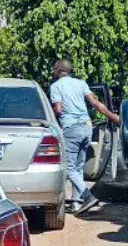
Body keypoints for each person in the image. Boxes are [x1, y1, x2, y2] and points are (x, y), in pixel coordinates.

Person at [49, 59, 120, 214]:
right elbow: (95, 103)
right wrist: (112, 116)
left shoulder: (55, 87)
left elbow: (59, 109)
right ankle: (77, 203)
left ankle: (88, 196)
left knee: (68, 168)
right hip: (87, 127)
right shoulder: (81, 84)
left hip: (71, 127)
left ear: (60, 70)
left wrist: (48, 117)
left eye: (54, 69)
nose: (53, 72)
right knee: (78, 167)